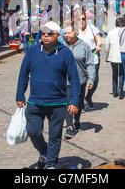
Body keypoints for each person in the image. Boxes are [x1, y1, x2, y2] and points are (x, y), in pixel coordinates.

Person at [16, 21, 80, 169]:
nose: (45, 35)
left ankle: (51, 163)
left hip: (58, 103)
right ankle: (45, 151)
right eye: (43, 32)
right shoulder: (32, 51)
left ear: (58, 35)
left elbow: (74, 79)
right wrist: (20, 95)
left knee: (55, 135)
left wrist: (75, 101)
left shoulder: (65, 53)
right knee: (32, 131)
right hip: (35, 102)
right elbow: (23, 74)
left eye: (50, 33)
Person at [62, 25, 95, 139]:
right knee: (69, 102)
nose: (66, 35)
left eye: (68, 33)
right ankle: (69, 127)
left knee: (79, 103)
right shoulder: (61, 46)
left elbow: (90, 64)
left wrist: (91, 79)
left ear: (76, 33)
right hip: (65, 81)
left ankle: (77, 120)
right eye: (65, 33)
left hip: (80, 80)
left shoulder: (84, 46)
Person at [77, 12, 102, 109]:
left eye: (83, 18)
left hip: (93, 56)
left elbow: (98, 40)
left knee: (95, 80)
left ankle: (89, 96)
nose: (81, 21)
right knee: (81, 81)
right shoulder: (75, 30)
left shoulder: (92, 28)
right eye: (79, 19)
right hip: (79, 59)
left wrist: (98, 45)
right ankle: (80, 103)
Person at [104, 18, 125, 99]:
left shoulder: (111, 32)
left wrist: (106, 57)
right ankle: (120, 91)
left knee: (115, 74)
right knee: (121, 74)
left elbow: (107, 46)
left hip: (113, 56)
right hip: (122, 56)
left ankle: (114, 91)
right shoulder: (123, 32)